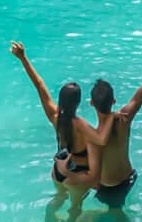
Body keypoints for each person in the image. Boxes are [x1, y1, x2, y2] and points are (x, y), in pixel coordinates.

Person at [89, 28, 142, 208]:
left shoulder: (93, 137)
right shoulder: (124, 119)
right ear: (113, 100)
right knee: (118, 211)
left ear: (92, 104)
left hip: (106, 186)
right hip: (128, 180)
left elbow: (90, 176)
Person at [9, 41, 99, 206]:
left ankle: (49, 220)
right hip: (76, 174)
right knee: (75, 209)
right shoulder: (84, 128)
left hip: (58, 170)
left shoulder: (55, 117)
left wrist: (23, 58)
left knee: (58, 199)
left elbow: (39, 85)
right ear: (78, 103)